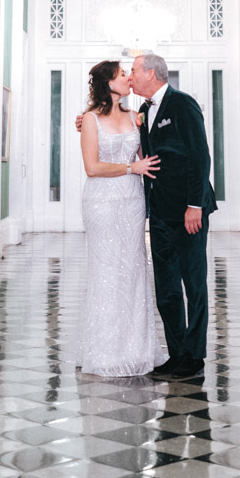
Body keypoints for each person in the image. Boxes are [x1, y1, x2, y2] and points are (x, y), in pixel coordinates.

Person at [131, 52, 216, 381]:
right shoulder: (142, 111)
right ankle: (176, 352)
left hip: (188, 211)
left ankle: (194, 357)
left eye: (135, 71)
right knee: (165, 286)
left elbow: (200, 154)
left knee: (193, 284)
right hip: (161, 213)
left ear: (151, 73)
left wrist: (195, 204)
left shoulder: (183, 103)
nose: (131, 76)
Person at [77, 59, 160, 378]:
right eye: (122, 74)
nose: (128, 78)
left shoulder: (135, 116)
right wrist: (130, 169)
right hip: (102, 202)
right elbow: (92, 167)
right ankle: (106, 350)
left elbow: (146, 155)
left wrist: (138, 166)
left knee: (133, 269)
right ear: (108, 83)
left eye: (129, 73)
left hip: (132, 201)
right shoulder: (89, 119)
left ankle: (137, 349)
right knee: (107, 271)